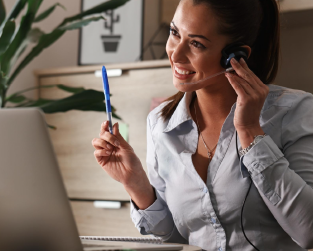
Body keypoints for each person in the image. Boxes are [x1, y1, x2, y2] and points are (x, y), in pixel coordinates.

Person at [91, 0, 313, 250]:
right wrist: (136, 184)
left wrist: (251, 132)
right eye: (175, 33)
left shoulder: (295, 112)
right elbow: (177, 240)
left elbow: (308, 231)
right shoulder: (161, 123)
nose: (175, 53)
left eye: (196, 43)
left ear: (235, 57)